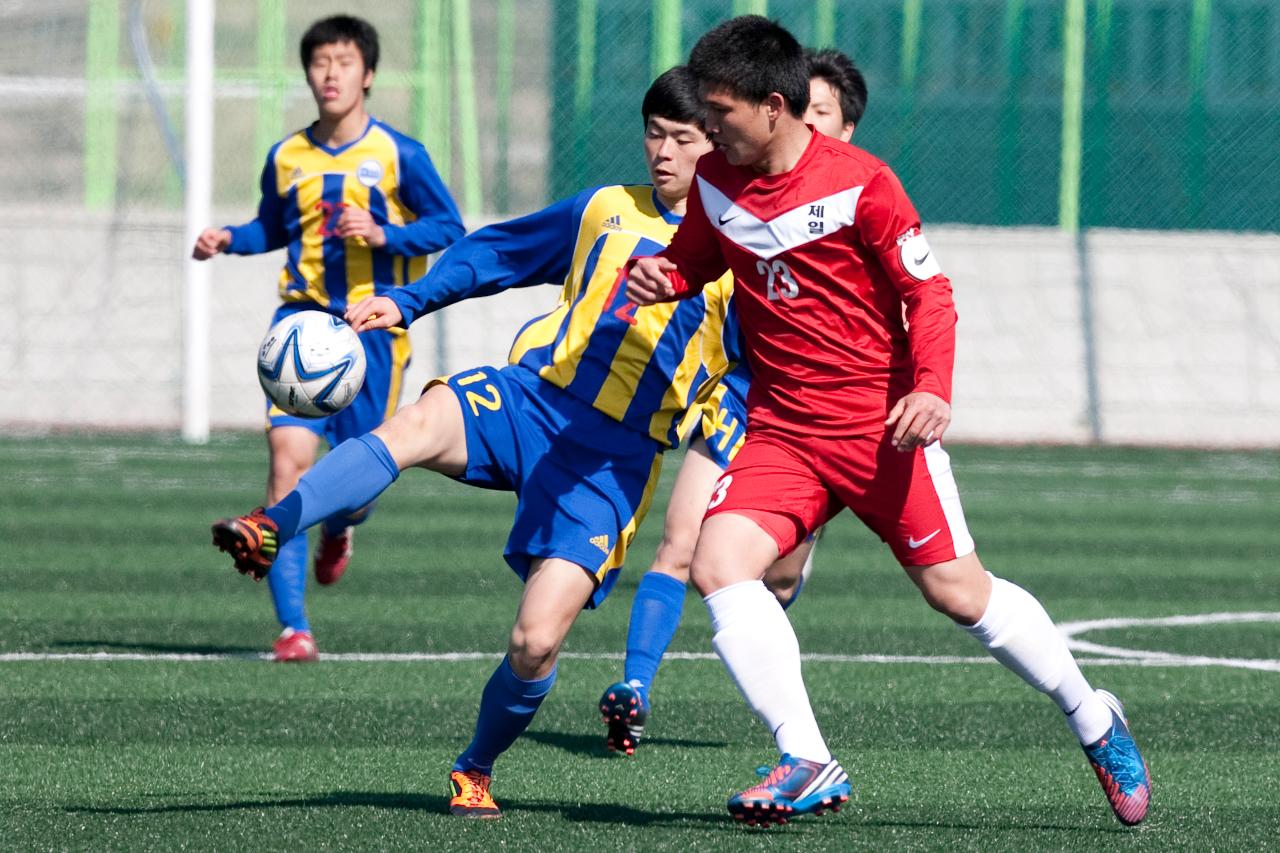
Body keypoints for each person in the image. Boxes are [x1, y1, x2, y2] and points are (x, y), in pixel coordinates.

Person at [625, 16, 1151, 828]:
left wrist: (933, 388)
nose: (708, 132)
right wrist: (666, 276)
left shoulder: (863, 183)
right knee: (718, 559)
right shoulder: (716, 182)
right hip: (783, 429)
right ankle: (805, 755)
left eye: (721, 115)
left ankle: (1093, 715)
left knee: (959, 593)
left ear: (773, 107)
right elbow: (697, 259)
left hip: (881, 427)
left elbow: (928, 295)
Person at [209, 67, 734, 819]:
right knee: (414, 424)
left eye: (682, 139)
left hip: (612, 461)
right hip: (530, 399)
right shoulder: (605, 209)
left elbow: (775, 361)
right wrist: (406, 299)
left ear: (718, 143)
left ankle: (475, 767)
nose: (663, 152)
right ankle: (274, 525)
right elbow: (497, 253)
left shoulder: (742, 255)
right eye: (654, 133)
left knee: (534, 642)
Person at [596, 47, 870, 758]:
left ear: (845, 132)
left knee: (776, 574)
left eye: (822, 115)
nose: (805, 123)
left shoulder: (862, 204)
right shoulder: (744, 187)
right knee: (679, 541)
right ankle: (634, 687)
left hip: (830, 419)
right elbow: (691, 255)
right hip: (746, 391)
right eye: (800, 109)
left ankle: (784, 684)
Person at [192, 15, 464, 662]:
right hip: (299, 325)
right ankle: (293, 627)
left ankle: (340, 526)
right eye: (320, 62)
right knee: (287, 465)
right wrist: (231, 238)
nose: (331, 73)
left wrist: (385, 236)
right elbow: (271, 226)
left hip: (370, 330)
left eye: (344, 62)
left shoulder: (401, 154)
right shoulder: (286, 156)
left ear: (367, 75)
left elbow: (448, 226)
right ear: (309, 73)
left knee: (358, 484)